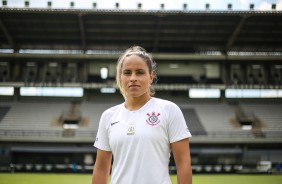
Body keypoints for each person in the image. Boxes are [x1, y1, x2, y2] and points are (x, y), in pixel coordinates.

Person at [92, 46, 192, 184]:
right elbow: (101, 168)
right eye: (127, 73)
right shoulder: (108, 116)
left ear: (151, 77)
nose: (133, 78)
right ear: (120, 77)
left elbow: (183, 163)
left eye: (139, 72)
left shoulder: (169, 110)